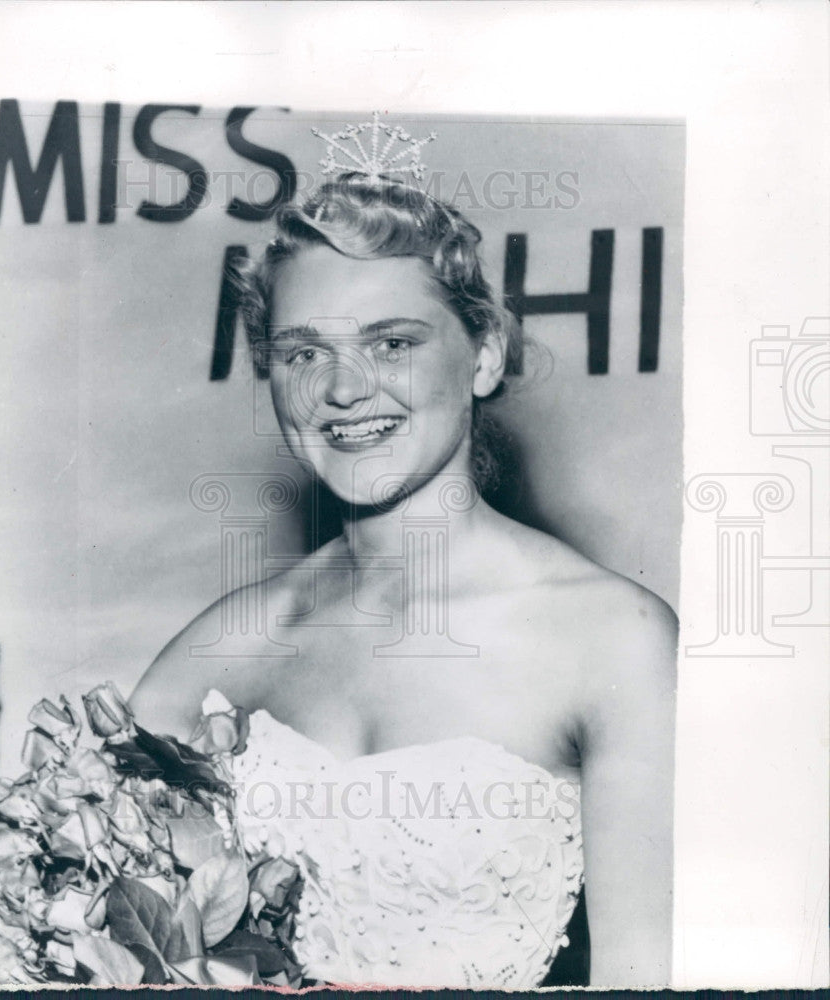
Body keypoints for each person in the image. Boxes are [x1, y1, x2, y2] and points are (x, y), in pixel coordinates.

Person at [131, 166, 677, 988]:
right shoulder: (213, 654)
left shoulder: (613, 639)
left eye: (393, 343)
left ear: (485, 356)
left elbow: (649, 976)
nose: (345, 388)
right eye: (304, 351)